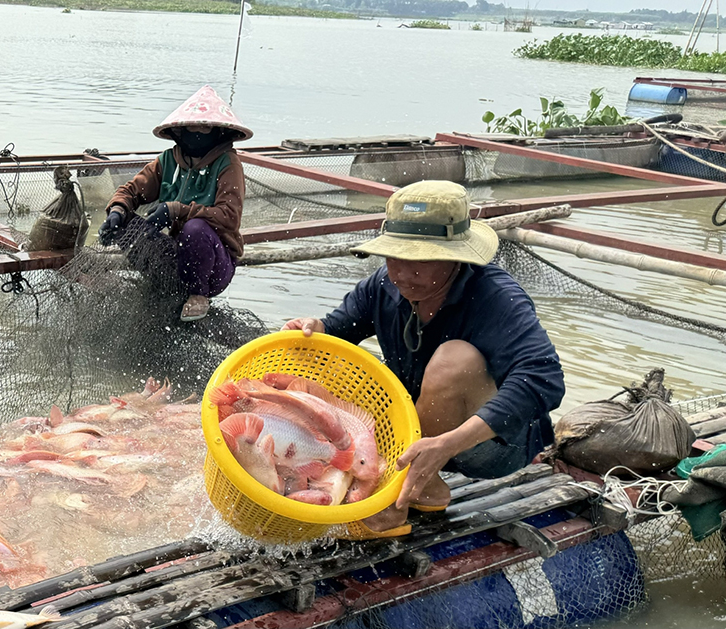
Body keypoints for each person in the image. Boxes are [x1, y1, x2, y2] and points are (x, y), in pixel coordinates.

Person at [282, 180, 565, 532]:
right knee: (325, 362)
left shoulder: (495, 297)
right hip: (413, 434)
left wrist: (448, 444)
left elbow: (545, 380)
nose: (400, 272)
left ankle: (408, 495)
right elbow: (339, 330)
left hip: (487, 447)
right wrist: (313, 327)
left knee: (454, 359)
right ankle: (405, 475)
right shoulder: (383, 286)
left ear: (453, 257)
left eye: (418, 260)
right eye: (393, 257)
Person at [97, 85, 251, 322]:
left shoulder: (228, 163)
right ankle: (162, 283)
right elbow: (131, 190)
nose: (198, 132)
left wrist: (175, 210)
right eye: (193, 126)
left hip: (214, 266)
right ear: (180, 130)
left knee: (195, 229)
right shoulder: (168, 160)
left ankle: (197, 296)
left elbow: (229, 217)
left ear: (219, 131)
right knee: (126, 223)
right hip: (174, 257)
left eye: (206, 127)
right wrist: (117, 210)